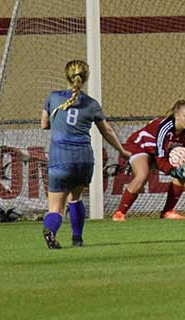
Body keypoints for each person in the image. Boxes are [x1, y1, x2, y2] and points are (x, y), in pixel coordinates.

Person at [41, 60, 131, 249]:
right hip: (83, 159)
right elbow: (107, 131)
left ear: (66, 75)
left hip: (60, 158)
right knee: (76, 198)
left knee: (55, 208)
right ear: (86, 78)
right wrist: (122, 151)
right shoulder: (92, 104)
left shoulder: (53, 98)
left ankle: (50, 231)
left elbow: (44, 124)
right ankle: (77, 239)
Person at [112, 99, 185, 222]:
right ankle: (119, 213)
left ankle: (167, 212)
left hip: (157, 152)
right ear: (177, 115)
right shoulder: (164, 127)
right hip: (140, 145)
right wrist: (172, 170)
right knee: (142, 175)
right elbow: (160, 156)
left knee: (183, 176)